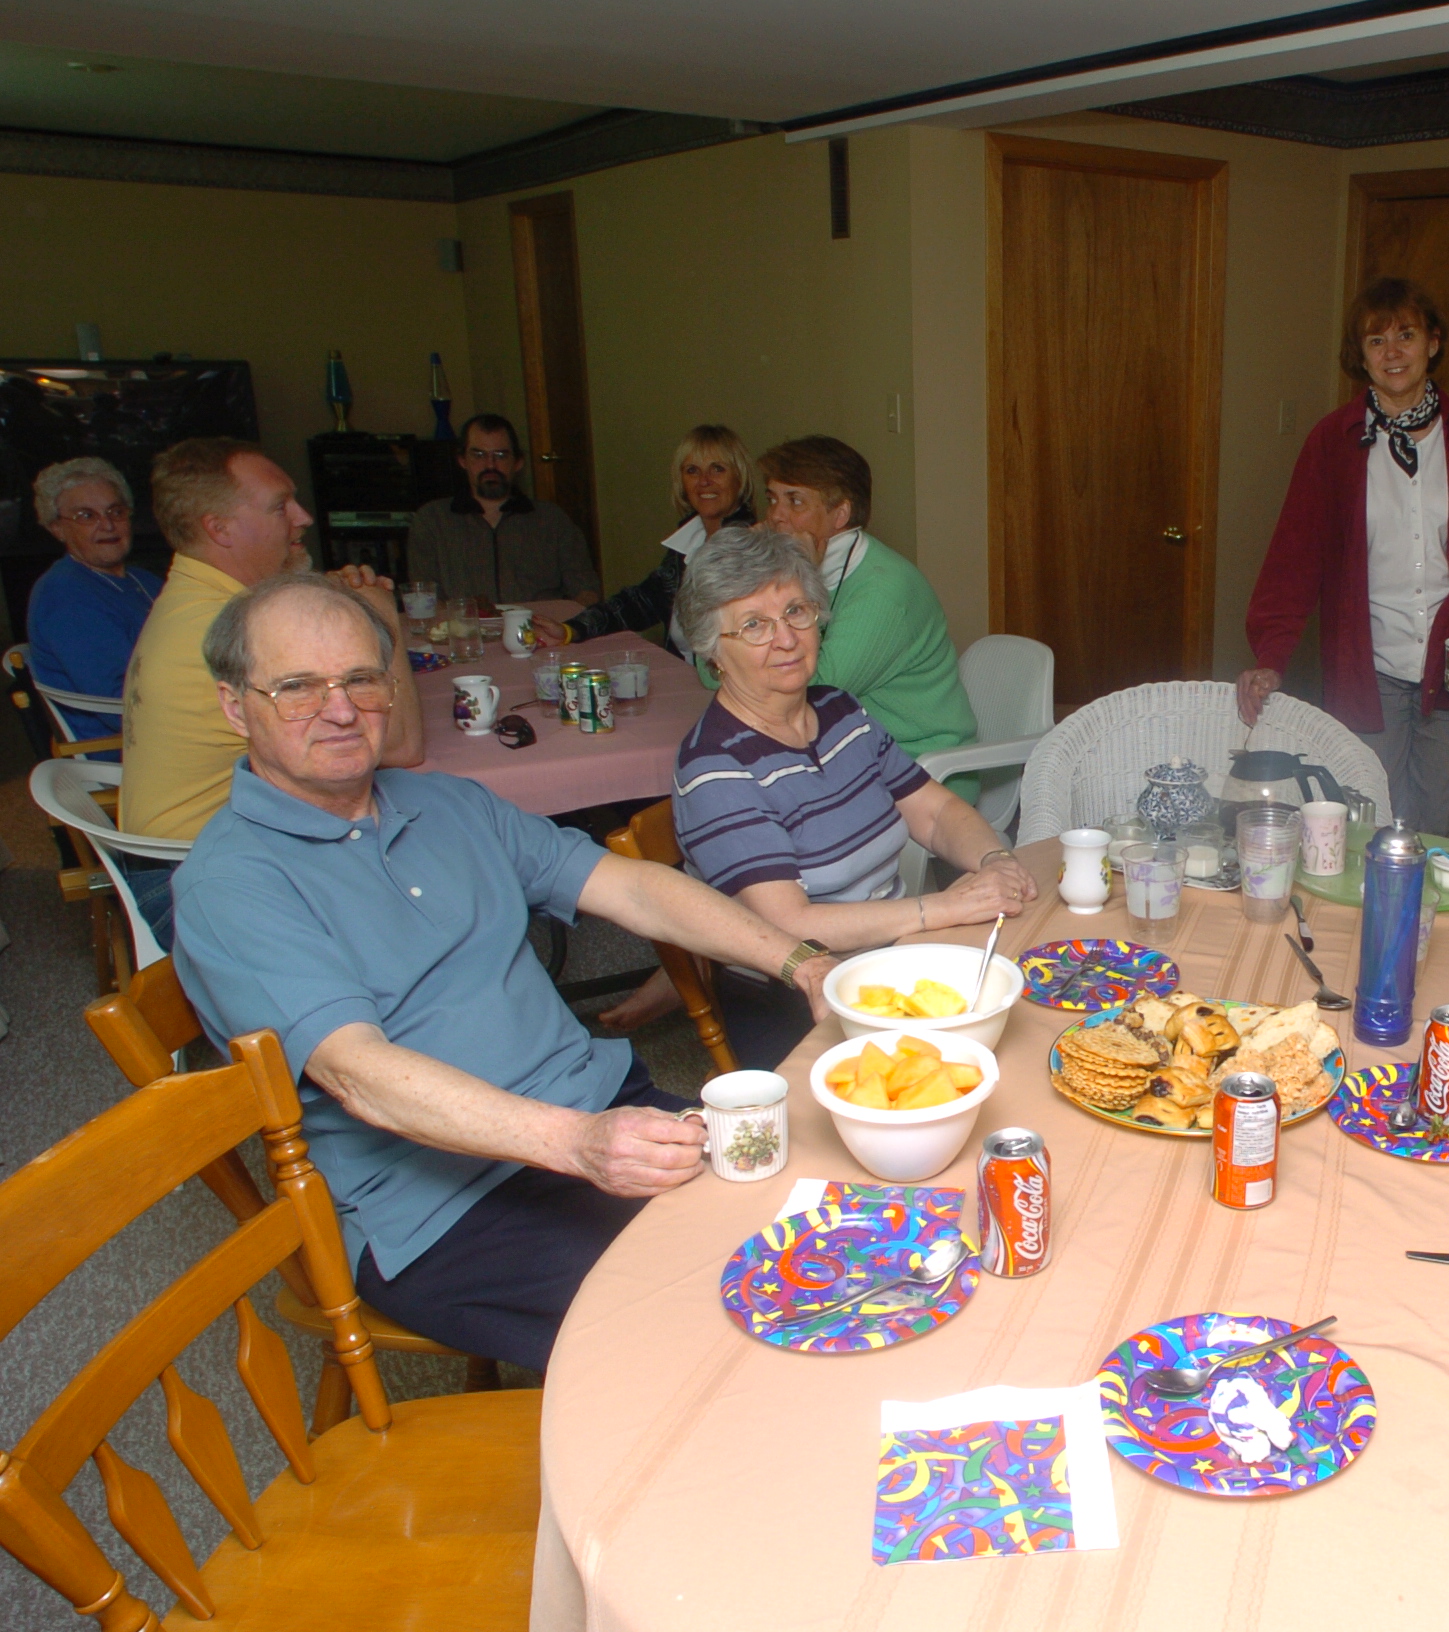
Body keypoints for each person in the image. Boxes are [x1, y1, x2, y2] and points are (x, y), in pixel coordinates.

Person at [171, 574, 835, 1371]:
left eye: (361, 680)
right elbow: (358, 1074)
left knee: (821, 1226)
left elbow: (632, 888)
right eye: (298, 688)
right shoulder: (231, 885)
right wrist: (578, 1143)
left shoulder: (447, 805)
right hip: (448, 1206)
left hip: (596, 1114)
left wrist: (800, 963)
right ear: (234, 705)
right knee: (726, 1325)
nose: (341, 710)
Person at [670, 528, 1036, 1068]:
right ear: (712, 651)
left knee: (1035, 1012)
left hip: (893, 960)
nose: (786, 638)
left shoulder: (837, 710)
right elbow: (791, 923)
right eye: (753, 625)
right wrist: (939, 908)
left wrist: (994, 860)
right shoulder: (715, 767)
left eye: (796, 611)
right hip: (796, 1002)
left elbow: (935, 812)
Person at [1239, 277, 1449, 833]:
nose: (1392, 352)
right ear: (1361, 355)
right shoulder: (1332, 442)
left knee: (1435, 825)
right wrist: (1271, 656)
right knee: (1367, 823)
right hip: (1367, 670)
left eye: (1406, 335)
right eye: (1377, 341)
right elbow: (1293, 559)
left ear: (1433, 343)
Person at [122, 437, 424, 844]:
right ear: (219, 528)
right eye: (280, 506)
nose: (304, 517)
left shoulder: (192, 597)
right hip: (194, 859)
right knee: (435, 831)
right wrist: (378, 610)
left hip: (192, 838)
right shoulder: (228, 624)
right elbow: (401, 747)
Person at [756, 435, 975, 774]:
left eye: (795, 501)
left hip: (918, 767)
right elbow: (719, 664)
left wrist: (797, 585)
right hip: (848, 753)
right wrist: (745, 579)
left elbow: (809, 692)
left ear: (840, 514)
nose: (775, 516)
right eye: (772, 499)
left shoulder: (882, 590)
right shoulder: (813, 570)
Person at [541, 424, 755, 652]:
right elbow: (642, 602)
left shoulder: (751, 548)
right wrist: (571, 630)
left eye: (718, 469)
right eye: (692, 470)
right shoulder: (689, 542)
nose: (704, 481)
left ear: (739, 478)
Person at [25, 456, 160, 749]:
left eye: (116, 511)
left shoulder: (142, 579)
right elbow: (120, 703)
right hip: (129, 747)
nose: (107, 525)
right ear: (57, 528)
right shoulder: (66, 596)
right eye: (86, 516)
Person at [405, 413, 602, 606]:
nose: (490, 465)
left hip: (541, 625)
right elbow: (425, 596)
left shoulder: (551, 519)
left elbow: (586, 590)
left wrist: (569, 621)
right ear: (462, 460)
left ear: (518, 462)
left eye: (500, 455)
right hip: (463, 626)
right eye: (479, 455)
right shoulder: (432, 521)